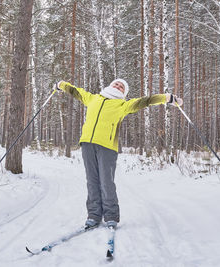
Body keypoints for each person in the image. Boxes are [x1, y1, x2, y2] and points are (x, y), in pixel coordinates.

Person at [55, 79, 182, 229]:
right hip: (87, 144)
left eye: (122, 87)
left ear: (123, 92)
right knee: (92, 181)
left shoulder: (123, 105)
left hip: (107, 147)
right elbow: (76, 91)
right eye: (116, 84)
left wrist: (167, 98)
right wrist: (61, 85)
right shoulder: (93, 98)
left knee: (106, 182)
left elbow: (146, 101)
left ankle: (111, 216)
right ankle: (94, 215)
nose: (118, 86)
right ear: (110, 85)